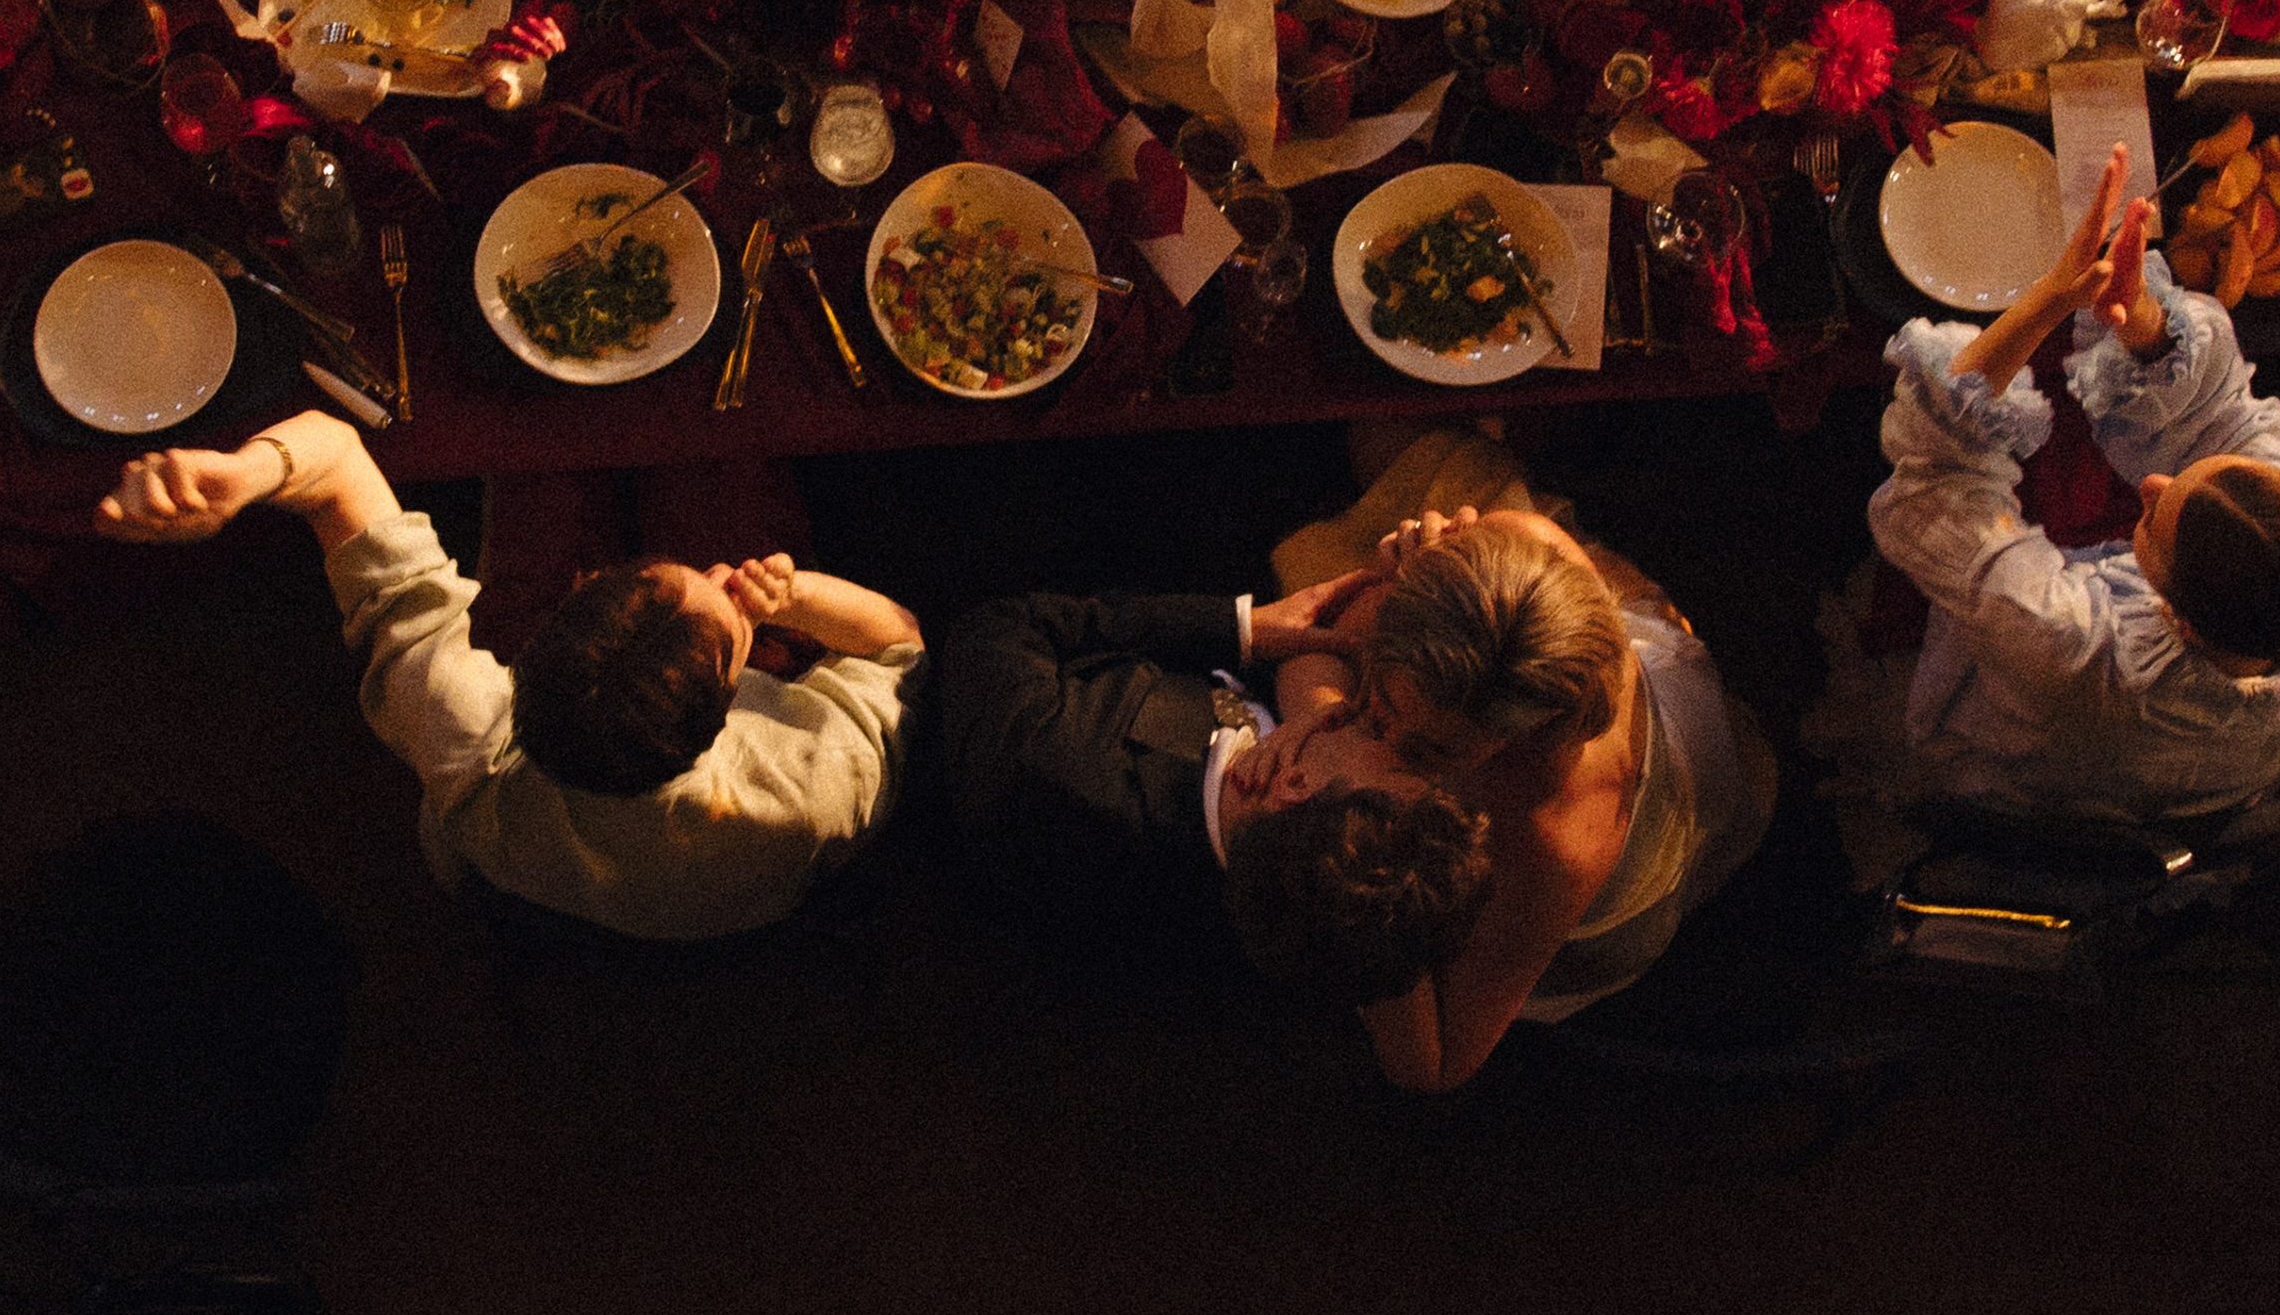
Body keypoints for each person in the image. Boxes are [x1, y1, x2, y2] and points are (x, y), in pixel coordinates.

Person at [95, 412, 922, 939]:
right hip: (730, 895)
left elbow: (336, 462)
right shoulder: (809, 786)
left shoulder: (460, 723)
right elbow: (896, 645)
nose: (718, 574)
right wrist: (790, 601)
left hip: (514, 878)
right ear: (733, 705)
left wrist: (246, 478)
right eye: (731, 623)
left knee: (535, 431)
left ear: (581, 589)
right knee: (715, 432)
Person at [1864, 148, 2280, 824]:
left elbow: (1936, 486)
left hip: (2040, 784)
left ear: (2179, 617)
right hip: (2203, 790)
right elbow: (2222, 415)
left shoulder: (2072, 652)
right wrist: (2136, 315)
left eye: (2153, 520)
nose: (2156, 481)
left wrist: (2051, 297)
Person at [1296, 505, 1772, 1092]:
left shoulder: (1541, 840)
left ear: (1508, 740)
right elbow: (1341, 622)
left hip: (1596, 917)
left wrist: (1369, 887)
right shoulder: (1525, 545)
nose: (1381, 743)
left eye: (1429, 752)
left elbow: (1433, 1067)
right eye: (1385, 707)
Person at [942, 576, 1493, 1005]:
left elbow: (996, 625)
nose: (1394, 733)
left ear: (1293, 786)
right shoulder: (1305, 888)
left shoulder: (1055, 761)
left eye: (1398, 759)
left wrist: (1237, 627)